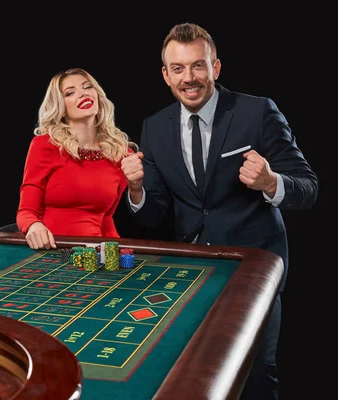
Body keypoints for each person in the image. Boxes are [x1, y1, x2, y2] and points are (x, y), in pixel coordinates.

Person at [121, 23, 318, 399]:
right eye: (178, 69)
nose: (189, 78)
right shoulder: (154, 127)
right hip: (190, 275)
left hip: (253, 269)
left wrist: (271, 181)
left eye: (198, 66)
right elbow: (154, 214)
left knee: (257, 376)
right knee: (195, 381)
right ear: (166, 75)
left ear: (216, 68)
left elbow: (308, 187)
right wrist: (136, 190)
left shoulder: (257, 111)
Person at [16, 68, 137, 250]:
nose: (83, 94)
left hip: (92, 253)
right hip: (50, 251)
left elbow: (106, 218)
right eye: (70, 93)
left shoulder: (120, 153)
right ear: (61, 107)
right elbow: (26, 212)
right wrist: (33, 225)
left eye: (87, 87)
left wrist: (121, 250)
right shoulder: (45, 145)